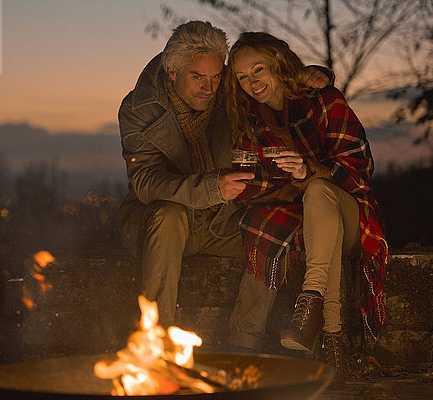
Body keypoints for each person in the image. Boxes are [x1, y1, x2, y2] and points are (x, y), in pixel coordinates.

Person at [118, 21, 330, 351]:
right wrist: (211, 187)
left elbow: (265, 80)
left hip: (223, 221)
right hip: (164, 228)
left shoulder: (228, 92)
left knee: (275, 227)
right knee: (169, 215)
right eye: (198, 77)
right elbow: (146, 183)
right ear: (172, 72)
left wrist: (306, 75)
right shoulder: (137, 109)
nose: (209, 87)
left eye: (217, 76)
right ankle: (155, 342)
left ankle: (244, 343)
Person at [224, 32, 388, 376]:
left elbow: (359, 165)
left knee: (317, 194)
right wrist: (292, 182)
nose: (252, 82)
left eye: (258, 70)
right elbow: (250, 185)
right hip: (305, 220)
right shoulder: (249, 120)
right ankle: (331, 343)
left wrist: (308, 172)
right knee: (289, 222)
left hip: (350, 213)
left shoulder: (324, 100)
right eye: (242, 77)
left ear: (278, 64)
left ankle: (309, 299)